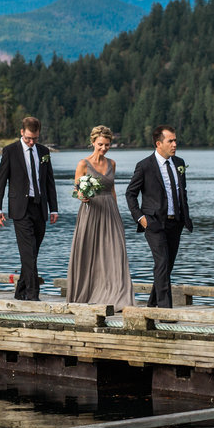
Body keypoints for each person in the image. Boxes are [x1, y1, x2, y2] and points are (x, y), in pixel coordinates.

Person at [66, 125, 135, 308]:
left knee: (115, 252)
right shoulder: (83, 164)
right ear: (93, 142)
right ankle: (88, 293)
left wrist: (117, 215)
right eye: (101, 145)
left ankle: (116, 296)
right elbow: (76, 190)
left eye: (107, 145)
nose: (104, 148)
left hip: (110, 211)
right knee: (89, 252)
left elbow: (112, 190)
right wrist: (81, 196)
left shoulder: (112, 163)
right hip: (90, 211)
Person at [0, 116, 58, 301]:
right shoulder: (10, 151)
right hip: (20, 208)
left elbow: (49, 182)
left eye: (35, 138)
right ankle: (32, 294)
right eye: (28, 138)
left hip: (40, 207)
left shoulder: (44, 151)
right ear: (22, 132)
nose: (31, 142)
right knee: (28, 251)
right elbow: (1, 182)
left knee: (32, 251)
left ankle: (20, 290)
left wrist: (54, 209)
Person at [125, 124, 192, 308]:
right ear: (158, 143)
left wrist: (185, 215)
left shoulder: (179, 163)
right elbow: (130, 194)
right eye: (170, 141)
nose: (174, 144)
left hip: (175, 222)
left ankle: (153, 302)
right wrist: (141, 218)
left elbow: (182, 191)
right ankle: (165, 310)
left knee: (167, 265)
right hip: (153, 222)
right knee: (161, 262)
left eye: (175, 140)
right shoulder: (145, 166)